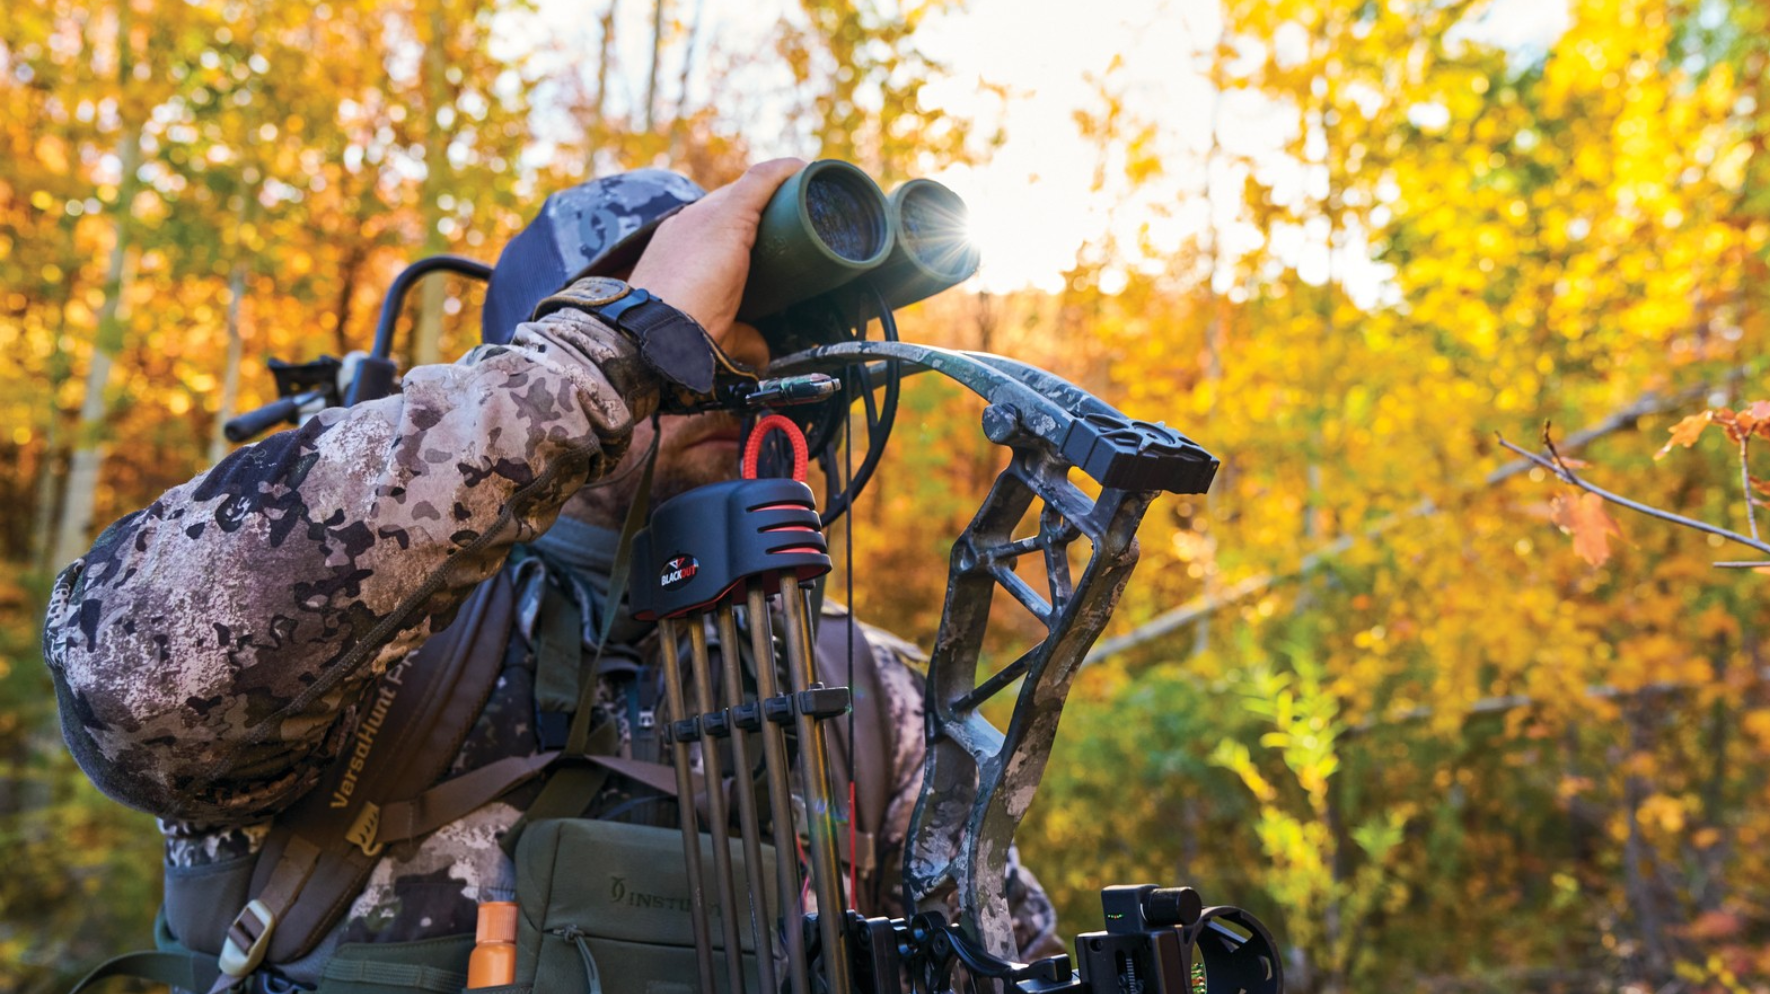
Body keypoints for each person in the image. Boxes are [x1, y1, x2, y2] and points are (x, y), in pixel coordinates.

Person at [43, 159, 1059, 991]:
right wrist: (605, 359)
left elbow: (1002, 959)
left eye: (746, 353)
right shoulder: (371, 639)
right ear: (537, 362)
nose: (726, 379)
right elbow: (128, 675)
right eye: (685, 351)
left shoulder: (872, 696)